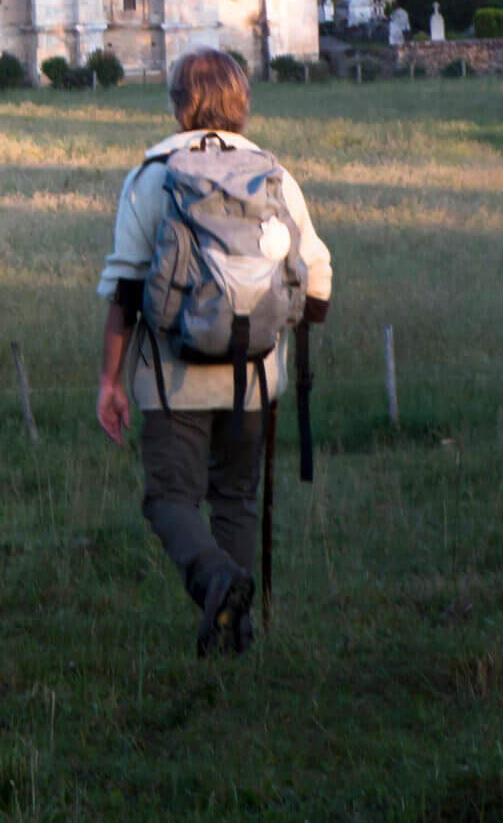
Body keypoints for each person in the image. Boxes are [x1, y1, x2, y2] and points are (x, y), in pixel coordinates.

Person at [95, 47, 332, 655]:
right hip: (255, 377)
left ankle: (217, 581)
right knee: (236, 497)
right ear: (241, 103)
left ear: (178, 104)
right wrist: (282, 328)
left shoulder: (154, 174)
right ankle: (237, 634)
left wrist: (110, 381)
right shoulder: (273, 174)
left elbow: (125, 286)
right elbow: (318, 279)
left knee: (169, 498)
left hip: (172, 380)